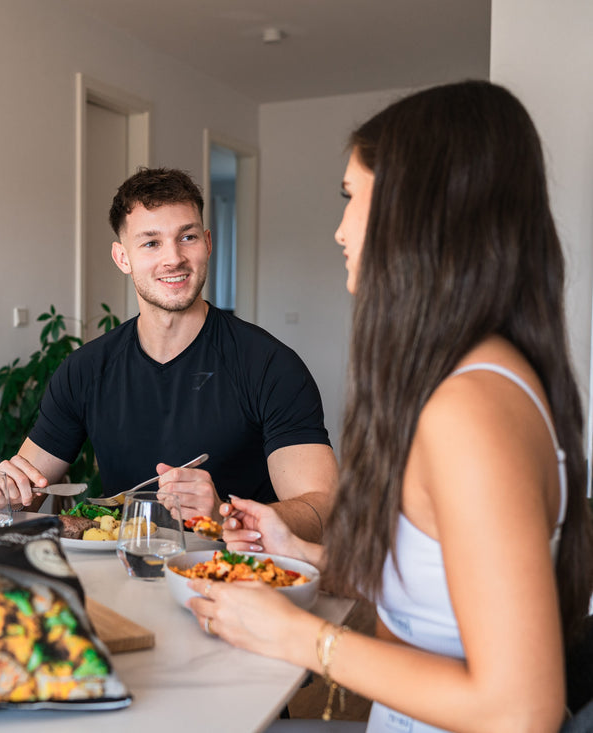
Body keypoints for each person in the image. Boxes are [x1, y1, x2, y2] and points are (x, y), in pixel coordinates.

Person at [188, 80, 593, 732]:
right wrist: (301, 550)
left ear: (419, 210)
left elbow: (522, 710)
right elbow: (444, 586)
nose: (340, 230)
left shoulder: (470, 410)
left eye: (352, 198)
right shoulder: (481, 374)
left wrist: (299, 637)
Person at [0, 167, 338, 545]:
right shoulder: (85, 369)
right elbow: (29, 488)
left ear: (207, 242)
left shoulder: (270, 366)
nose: (173, 258)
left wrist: (225, 514)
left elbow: (320, 509)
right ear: (122, 257)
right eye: (151, 243)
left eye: (187, 237)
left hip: (234, 577)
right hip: (122, 572)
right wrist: (9, 490)